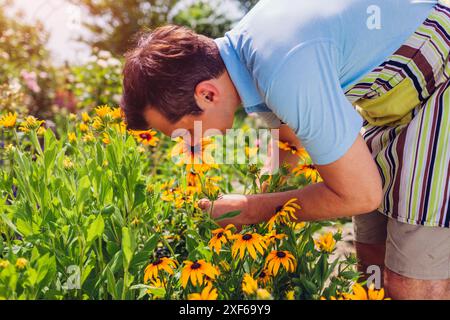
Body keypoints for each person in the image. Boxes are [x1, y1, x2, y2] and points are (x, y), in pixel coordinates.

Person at [121, 0, 450, 299]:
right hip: (392, 103)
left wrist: (250, 210)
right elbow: (288, 144)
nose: (190, 144)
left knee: (411, 282)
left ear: (207, 95)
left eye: (183, 133)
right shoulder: (250, 53)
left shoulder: (284, 70)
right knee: (372, 259)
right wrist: (257, 199)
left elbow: (361, 195)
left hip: (439, 82)